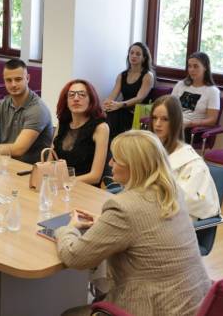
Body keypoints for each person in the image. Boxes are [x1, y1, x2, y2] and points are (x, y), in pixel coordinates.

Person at [55, 130, 211, 316]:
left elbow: (75, 258)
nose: (110, 163)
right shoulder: (172, 191)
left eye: (116, 159)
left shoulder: (124, 207)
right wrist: (105, 224)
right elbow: (146, 227)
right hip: (196, 303)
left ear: (134, 166)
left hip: (155, 309)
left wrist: (67, 229)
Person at [149, 95, 220, 220]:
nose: (157, 124)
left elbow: (187, 202)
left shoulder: (193, 164)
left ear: (175, 122)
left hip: (176, 221)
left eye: (165, 119)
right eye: (154, 118)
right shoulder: (151, 150)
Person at [53, 79, 109, 187]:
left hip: (85, 188)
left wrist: (63, 182)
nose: (76, 98)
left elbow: (95, 176)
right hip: (60, 185)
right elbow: (51, 160)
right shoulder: (62, 123)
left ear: (91, 100)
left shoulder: (101, 127)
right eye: (71, 95)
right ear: (66, 101)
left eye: (82, 95)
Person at [103, 42, 154, 139]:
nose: (134, 56)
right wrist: (106, 104)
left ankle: (112, 144)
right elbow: (112, 95)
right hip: (123, 109)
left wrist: (120, 105)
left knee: (114, 116)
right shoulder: (122, 75)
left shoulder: (148, 75)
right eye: (132, 53)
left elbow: (139, 98)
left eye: (138, 54)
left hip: (139, 112)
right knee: (106, 114)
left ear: (144, 58)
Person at [171, 51, 220, 142]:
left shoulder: (212, 91)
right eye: (189, 66)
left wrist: (191, 123)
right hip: (176, 123)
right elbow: (169, 106)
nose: (192, 70)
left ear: (205, 67)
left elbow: (212, 120)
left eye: (196, 66)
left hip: (194, 129)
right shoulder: (180, 85)